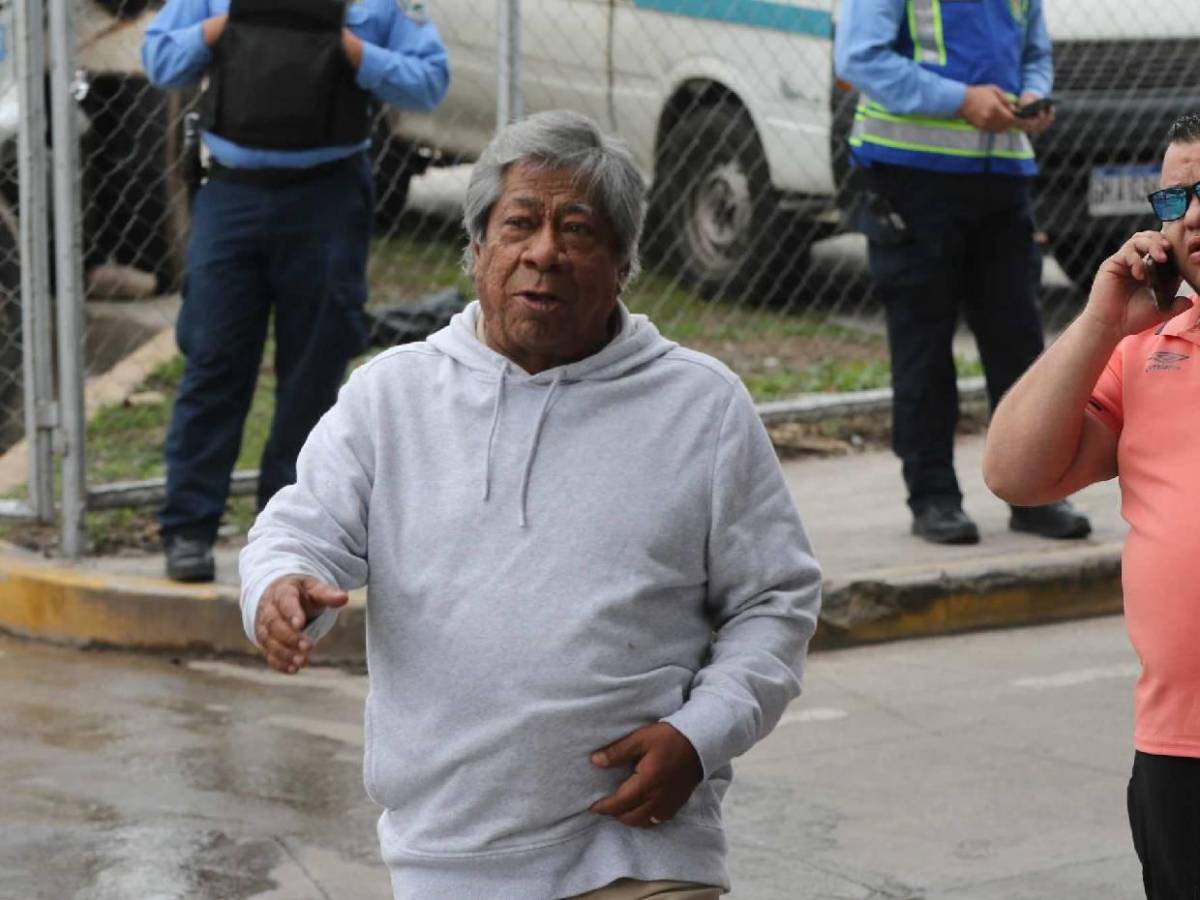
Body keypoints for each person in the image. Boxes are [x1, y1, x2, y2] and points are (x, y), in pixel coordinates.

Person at [239, 110, 823, 899]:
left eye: (578, 229)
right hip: (450, 855)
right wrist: (281, 585)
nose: (543, 252)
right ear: (477, 249)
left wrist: (700, 736)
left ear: (622, 264)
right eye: (520, 224)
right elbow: (300, 530)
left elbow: (776, 601)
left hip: (644, 851)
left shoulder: (702, 406)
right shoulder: (393, 395)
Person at [142, 0, 449, 582]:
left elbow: (429, 81)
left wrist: (352, 49)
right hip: (232, 195)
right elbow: (160, 59)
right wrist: (221, 30)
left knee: (314, 373)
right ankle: (189, 528)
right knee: (213, 362)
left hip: (327, 199)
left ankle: (286, 538)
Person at [983, 113, 1200, 899]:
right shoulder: (1149, 349)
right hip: (1180, 753)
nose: (1193, 216)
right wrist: (1103, 321)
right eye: (1177, 200)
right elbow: (1015, 473)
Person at [835, 0, 1092, 545]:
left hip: (1001, 179)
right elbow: (859, 59)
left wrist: (1032, 93)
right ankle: (932, 496)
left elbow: (1034, 54)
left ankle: (1034, 491)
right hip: (911, 177)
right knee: (923, 348)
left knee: (1019, 346)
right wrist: (959, 101)